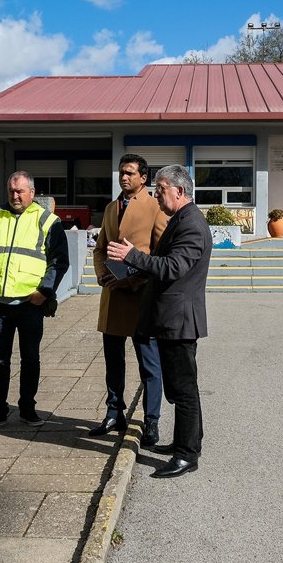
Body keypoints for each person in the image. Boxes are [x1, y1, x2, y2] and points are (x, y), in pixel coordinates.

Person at [105, 164, 211, 479]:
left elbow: (173, 267)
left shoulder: (191, 224)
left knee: (183, 390)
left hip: (179, 321)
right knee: (181, 388)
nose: (156, 195)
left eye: (161, 189)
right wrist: (126, 270)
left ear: (179, 191)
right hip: (170, 319)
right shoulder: (180, 219)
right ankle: (186, 442)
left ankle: (186, 455)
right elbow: (160, 263)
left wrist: (132, 256)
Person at [0, 171, 70, 431]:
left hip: (30, 304)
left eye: (20, 191)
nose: (15, 196)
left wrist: (44, 292)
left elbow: (59, 261)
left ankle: (27, 408)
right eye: (11, 191)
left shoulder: (47, 220)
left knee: (30, 359)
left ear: (32, 193)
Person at [91, 154, 169, 444]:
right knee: (113, 362)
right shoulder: (112, 207)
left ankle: (152, 421)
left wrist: (132, 280)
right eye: (121, 173)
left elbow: (161, 256)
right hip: (112, 297)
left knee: (149, 365)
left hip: (140, 298)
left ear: (143, 178)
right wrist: (102, 274)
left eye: (130, 173)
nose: (124, 177)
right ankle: (114, 413)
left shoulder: (155, 207)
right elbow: (100, 248)